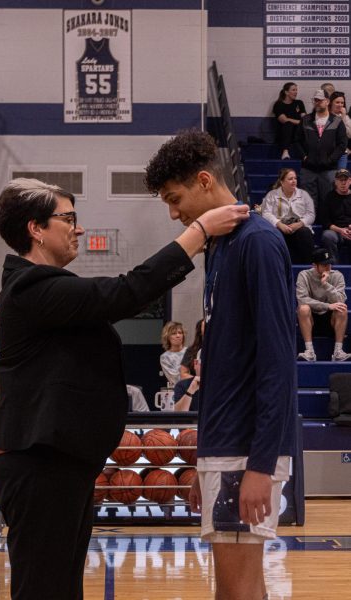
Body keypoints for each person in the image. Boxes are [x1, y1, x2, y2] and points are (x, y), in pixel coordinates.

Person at [0, 177, 249, 600]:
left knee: (60, 587)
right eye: (68, 218)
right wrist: (198, 233)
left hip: (55, 461)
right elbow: (125, 292)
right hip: (36, 462)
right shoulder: (30, 287)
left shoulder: (45, 291)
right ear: (36, 228)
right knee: (44, 589)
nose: (79, 228)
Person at [145, 130, 297, 600]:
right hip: (224, 447)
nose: (174, 213)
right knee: (236, 591)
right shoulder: (222, 246)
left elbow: (277, 363)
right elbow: (221, 368)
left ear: (205, 181)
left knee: (237, 592)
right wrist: (203, 460)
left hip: (244, 450)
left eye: (176, 198)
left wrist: (259, 465)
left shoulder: (259, 243)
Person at [296, 89, 347, 222]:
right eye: (315, 100)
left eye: (320, 100)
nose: (317, 103)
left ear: (327, 101)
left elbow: (342, 144)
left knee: (327, 198)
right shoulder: (306, 120)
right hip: (308, 168)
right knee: (308, 199)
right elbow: (296, 141)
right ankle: (309, 227)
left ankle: (325, 225)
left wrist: (331, 159)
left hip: (329, 168)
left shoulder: (336, 121)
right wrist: (304, 157)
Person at [297, 248, 350, 362]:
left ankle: (338, 352)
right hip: (311, 319)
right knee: (303, 309)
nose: (328, 268)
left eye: (329, 264)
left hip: (330, 319)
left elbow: (341, 299)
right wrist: (327, 306)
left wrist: (326, 284)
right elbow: (302, 299)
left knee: (342, 309)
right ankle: (310, 351)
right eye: (324, 265)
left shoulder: (337, 276)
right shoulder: (304, 275)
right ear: (315, 266)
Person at [261, 168, 315, 263]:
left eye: (295, 178)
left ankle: (308, 266)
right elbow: (265, 213)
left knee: (305, 233)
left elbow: (311, 214)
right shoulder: (272, 195)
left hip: (299, 228)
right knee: (271, 235)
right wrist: (279, 224)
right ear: (282, 182)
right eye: (290, 179)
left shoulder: (304, 195)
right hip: (280, 227)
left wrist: (299, 224)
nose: (294, 181)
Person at [320, 168, 351, 263]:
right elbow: (325, 222)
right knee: (327, 235)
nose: (343, 183)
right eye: (340, 180)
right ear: (335, 182)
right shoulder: (329, 197)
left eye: (345, 180)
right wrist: (340, 230)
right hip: (336, 231)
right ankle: (334, 265)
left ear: (350, 181)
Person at [272, 82, 305, 160]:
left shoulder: (299, 103)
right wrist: (299, 122)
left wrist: (302, 122)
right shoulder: (279, 104)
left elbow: (304, 118)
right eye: (293, 90)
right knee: (288, 124)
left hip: (297, 133)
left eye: (296, 90)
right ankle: (285, 151)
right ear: (286, 92)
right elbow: (284, 120)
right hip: (284, 134)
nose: (296, 92)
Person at [159, 320, 186, 385]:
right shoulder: (165, 357)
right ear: (168, 337)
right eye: (174, 333)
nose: (178, 336)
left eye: (180, 333)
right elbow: (175, 379)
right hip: (180, 389)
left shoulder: (191, 352)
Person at [329, 91, 351, 169]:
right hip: (328, 152)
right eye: (337, 102)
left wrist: (344, 118)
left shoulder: (345, 117)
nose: (340, 105)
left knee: (341, 178)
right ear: (331, 102)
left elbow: (349, 134)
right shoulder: (326, 115)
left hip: (342, 154)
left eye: (342, 103)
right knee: (329, 178)